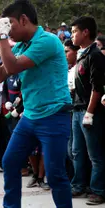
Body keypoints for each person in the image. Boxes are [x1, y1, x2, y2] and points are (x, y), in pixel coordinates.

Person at [0, 1, 72, 207]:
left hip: (54, 115)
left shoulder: (48, 41)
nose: (6, 30)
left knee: (55, 173)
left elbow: (12, 66)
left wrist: (3, 38)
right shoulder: (23, 46)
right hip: (30, 116)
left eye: (9, 24)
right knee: (10, 162)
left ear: (24, 20)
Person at [70, 16, 105, 205]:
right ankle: (78, 185)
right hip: (77, 109)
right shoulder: (81, 54)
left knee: (95, 154)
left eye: (75, 31)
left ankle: (98, 190)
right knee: (77, 151)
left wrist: (90, 113)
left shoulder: (95, 55)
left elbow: (97, 88)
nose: (72, 35)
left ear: (86, 32)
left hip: (89, 111)